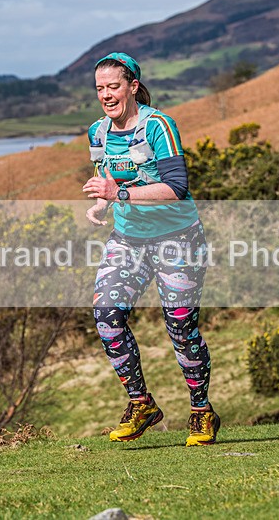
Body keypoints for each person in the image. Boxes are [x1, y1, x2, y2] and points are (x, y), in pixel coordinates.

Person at [82, 52, 219, 446]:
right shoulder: (97, 132)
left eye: (113, 87)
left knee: (180, 324)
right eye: (99, 89)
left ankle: (201, 410)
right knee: (106, 315)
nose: (106, 95)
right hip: (128, 240)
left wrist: (119, 191)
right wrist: (100, 203)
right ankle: (141, 403)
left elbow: (176, 188)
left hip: (177, 237)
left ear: (132, 86)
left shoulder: (159, 125)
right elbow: (103, 175)